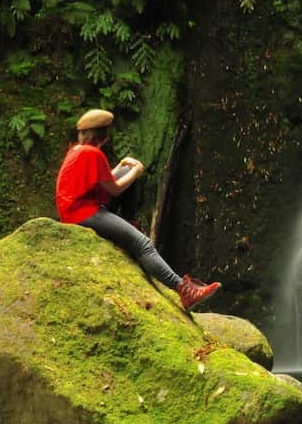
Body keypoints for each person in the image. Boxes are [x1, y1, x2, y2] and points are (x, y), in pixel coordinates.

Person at [55, 108, 221, 310]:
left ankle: (129, 221)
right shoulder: (94, 154)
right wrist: (136, 171)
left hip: (75, 208)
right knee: (143, 244)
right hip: (83, 213)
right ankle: (185, 291)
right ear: (103, 133)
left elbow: (99, 182)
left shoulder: (78, 151)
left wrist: (123, 166)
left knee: (125, 169)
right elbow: (114, 190)